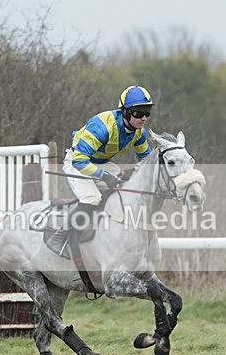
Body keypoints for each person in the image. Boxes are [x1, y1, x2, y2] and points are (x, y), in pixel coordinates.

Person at [55, 85, 154, 244]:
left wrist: (134, 171)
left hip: (101, 162)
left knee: (126, 190)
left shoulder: (139, 132)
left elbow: (145, 158)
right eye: (138, 112)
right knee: (91, 198)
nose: (143, 118)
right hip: (77, 160)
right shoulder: (103, 126)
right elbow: (80, 160)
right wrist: (104, 176)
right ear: (125, 112)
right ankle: (60, 234)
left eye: (147, 112)